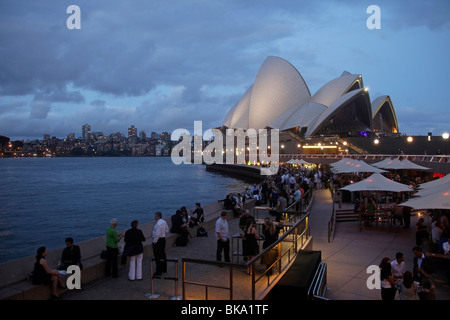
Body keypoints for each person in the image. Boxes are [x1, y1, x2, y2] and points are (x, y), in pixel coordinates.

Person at [152, 211, 169, 276]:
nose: (154, 217)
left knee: (157, 256)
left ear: (158, 217)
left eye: (155, 216)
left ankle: (158, 271)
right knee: (163, 254)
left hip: (158, 241)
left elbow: (157, 235)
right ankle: (164, 269)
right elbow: (167, 230)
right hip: (163, 239)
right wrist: (163, 232)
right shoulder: (164, 222)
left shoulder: (158, 224)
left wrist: (154, 241)